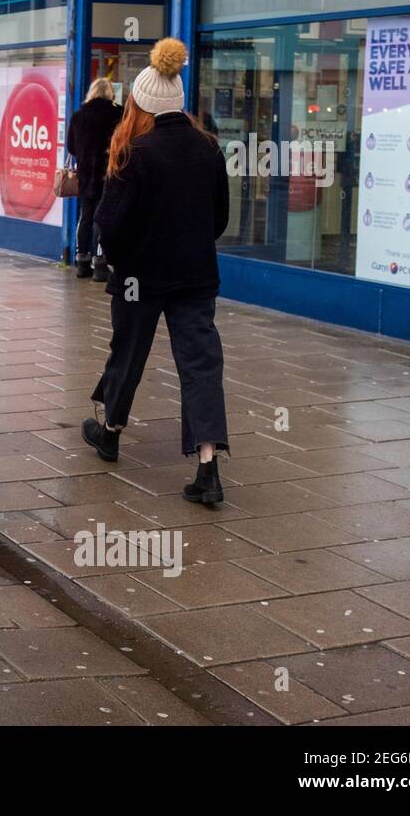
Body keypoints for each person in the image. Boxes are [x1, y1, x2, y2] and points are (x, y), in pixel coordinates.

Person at [81, 38, 231, 506]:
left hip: (139, 277)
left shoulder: (136, 152)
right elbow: (219, 218)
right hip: (195, 274)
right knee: (201, 365)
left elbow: (109, 222)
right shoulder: (208, 148)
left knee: (128, 353)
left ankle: (111, 430)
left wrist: (122, 258)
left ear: (140, 103)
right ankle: (208, 467)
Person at [65, 77, 122, 280]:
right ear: (110, 93)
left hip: (86, 174)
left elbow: (71, 147)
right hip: (108, 173)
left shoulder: (79, 116)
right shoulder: (118, 113)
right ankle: (100, 263)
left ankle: (82, 261)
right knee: (103, 217)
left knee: (86, 215)